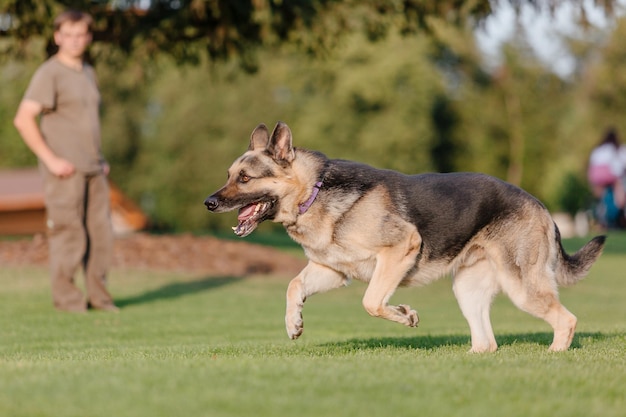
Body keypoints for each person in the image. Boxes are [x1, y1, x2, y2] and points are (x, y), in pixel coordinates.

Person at [13, 10, 118, 312]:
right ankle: (69, 302)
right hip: (64, 171)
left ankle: (100, 298)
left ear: (88, 37)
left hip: (94, 169)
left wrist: (101, 159)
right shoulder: (50, 72)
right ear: (58, 37)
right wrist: (52, 160)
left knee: (101, 236)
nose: (75, 41)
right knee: (69, 234)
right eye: (68, 35)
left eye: (81, 34)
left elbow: (85, 121)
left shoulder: (86, 70)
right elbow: (23, 119)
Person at [587, 127, 626, 228]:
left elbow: (591, 167)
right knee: (619, 189)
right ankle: (619, 209)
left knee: (601, 198)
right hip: (611, 176)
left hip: (598, 179)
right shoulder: (617, 149)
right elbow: (620, 166)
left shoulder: (597, 150)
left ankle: (601, 216)